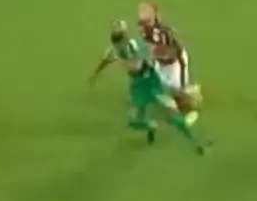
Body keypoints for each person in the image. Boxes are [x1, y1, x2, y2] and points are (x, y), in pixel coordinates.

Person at [89, 20, 210, 154]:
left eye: (122, 41)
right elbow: (105, 61)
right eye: (118, 43)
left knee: (171, 113)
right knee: (133, 120)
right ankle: (152, 126)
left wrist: (122, 63)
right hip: (137, 85)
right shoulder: (114, 51)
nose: (120, 45)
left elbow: (138, 64)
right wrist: (95, 75)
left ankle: (197, 143)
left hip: (151, 81)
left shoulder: (134, 47)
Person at [138, 2, 201, 126]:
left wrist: (155, 55)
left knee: (179, 92)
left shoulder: (163, 33)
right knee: (158, 87)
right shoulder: (144, 30)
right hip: (161, 63)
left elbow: (171, 53)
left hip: (175, 63)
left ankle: (193, 100)